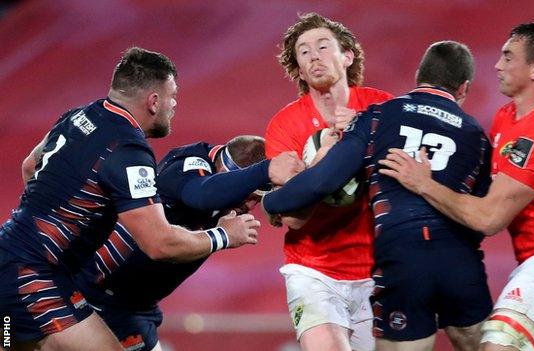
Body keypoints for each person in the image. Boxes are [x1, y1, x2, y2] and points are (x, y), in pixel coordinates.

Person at [0, 47, 260, 351]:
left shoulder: (78, 115)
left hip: (13, 253)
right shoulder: (128, 151)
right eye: (172, 96)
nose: (174, 104)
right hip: (35, 274)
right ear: (153, 102)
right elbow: (159, 243)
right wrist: (223, 236)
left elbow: (30, 166)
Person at [379, 22, 534, 351]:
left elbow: (488, 218)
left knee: (497, 346)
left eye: (509, 57)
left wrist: (423, 184)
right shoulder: (506, 116)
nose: (498, 65)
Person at [263, 41, 493, 351]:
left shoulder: (380, 115)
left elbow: (321, 181)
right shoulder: (476, 135)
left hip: (402, 257)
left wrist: (272, 202)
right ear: (464, 88)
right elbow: (479, 217)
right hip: (459, 263)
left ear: (417, 75)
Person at [70, 136, 303, 351]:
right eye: (249, 195)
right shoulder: (188, 165)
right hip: (94, 292)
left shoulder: (225, 194)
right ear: (227, 172)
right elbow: (200, 196)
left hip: (137, 306)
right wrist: (223, 235)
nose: (250, 206)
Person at [264, 12, 393, 351]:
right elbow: (292, 216)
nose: (314, 56)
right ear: (299, 68)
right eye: (304, 52)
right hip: (313, 271)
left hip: (378, 270)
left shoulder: (383, 109)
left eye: (323, 46)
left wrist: (365, 131)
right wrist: (328, 156)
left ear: (347, 56)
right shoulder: (285, 125)